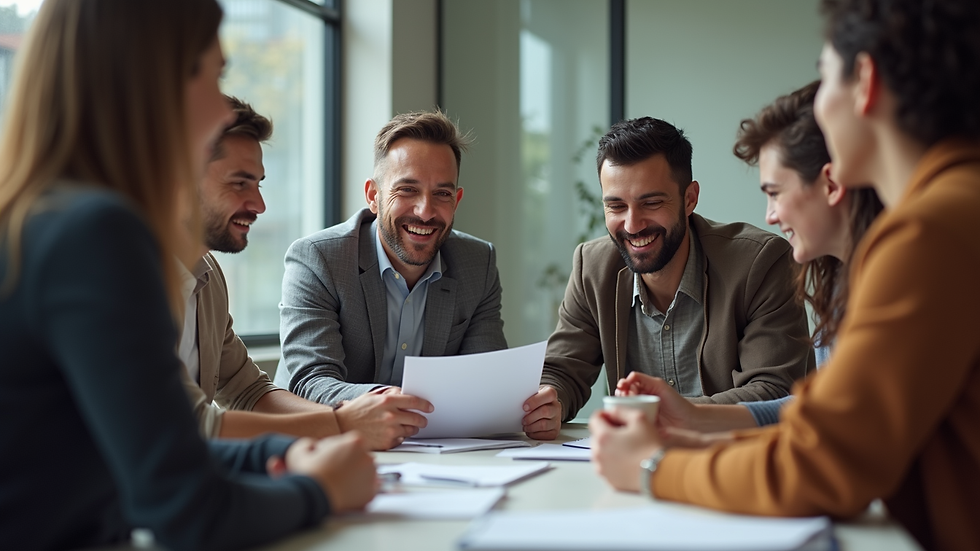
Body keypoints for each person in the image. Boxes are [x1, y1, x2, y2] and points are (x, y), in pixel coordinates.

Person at [590, 1, 980, 549]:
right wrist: (689, 442)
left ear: (864, 80)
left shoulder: (927, 232)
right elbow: (826, 430)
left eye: (824, 76)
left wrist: (655, 468)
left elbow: (827, 464)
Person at [0, 1, 375, 550]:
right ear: (154, 81)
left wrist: (274, 453)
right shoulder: (96, 234)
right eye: (213, 74)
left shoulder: (41, 219)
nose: (224, 113)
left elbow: (155, 445)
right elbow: (188, 510)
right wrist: (320, 490)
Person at [615, 81, 883, 441]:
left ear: (831, 185)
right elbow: (817, 411)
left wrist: (659, 472)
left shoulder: (891, 281)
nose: (770, 215)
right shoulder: (841, 285)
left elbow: (839, 445)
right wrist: (688, 415)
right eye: (616, 205)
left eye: (775, 193)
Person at [524, 117, 815, 439]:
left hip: (741, 460)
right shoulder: (592, 266)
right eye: (616, 206)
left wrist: (669, 416)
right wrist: (551, 400)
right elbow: (563, 369)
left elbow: (773, 393)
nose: (632, 225)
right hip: (637, 465)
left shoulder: (760, 262)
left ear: (690, 199)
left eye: (651, 203)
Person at [183, 96, 432, 450]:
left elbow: (248, 390)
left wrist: (348, 425)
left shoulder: (207, 277)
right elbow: (189, 425)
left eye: (259, 184)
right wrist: (340, 424)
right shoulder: (127, 280)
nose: (259, 205)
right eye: (239, 183)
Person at [276, 110, 511, 437]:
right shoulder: (318, 259)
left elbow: (485, 381)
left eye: (441, 193)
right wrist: (387, 400)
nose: (425, 211)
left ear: (456, 201)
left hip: (433, 457)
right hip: (320, 445)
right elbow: (309, 382)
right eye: (407, 190)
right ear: (374, 196)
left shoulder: (478, 263)